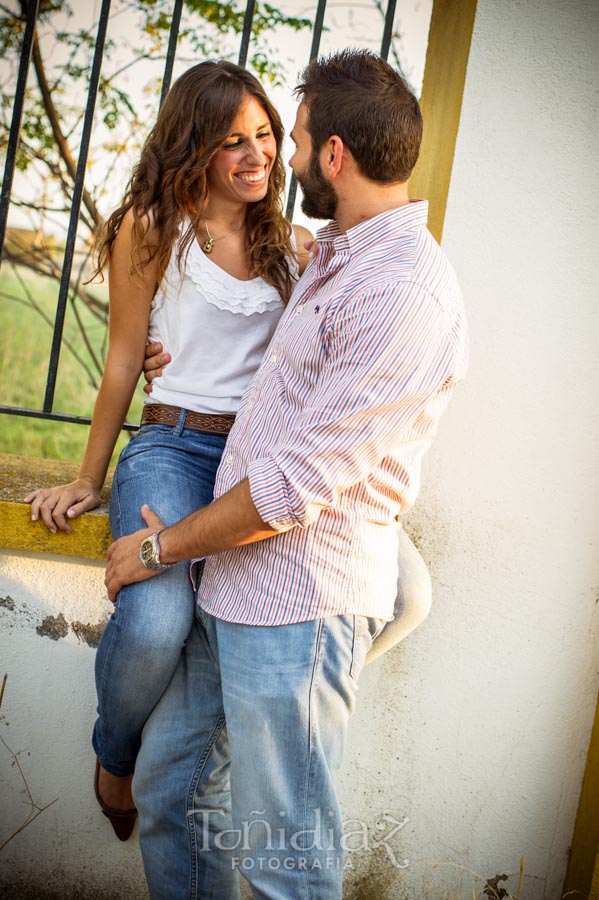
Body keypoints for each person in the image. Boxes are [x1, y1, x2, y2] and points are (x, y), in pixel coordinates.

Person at [24, 57, 432, 850]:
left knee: (408, 593)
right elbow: (119, 361)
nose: (258, 155)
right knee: (152, 622)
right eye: (230, 141)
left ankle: (254, 697)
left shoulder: (297, 245)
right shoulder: (152, 229)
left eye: (267, 135)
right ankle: (116, 756)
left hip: (261, 466)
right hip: (176, 449)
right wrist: (87, 476)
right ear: (192, 148)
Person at [105, 48, 468, 898]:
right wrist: (172, 352)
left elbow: (293, 488)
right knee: (175, 792)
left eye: (293, 139)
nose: (282, 157)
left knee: (284, 860)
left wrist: (158, 552)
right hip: (238, 585)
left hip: (297, 603)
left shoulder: (398, 292)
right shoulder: (333, 255)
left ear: (332, 155)